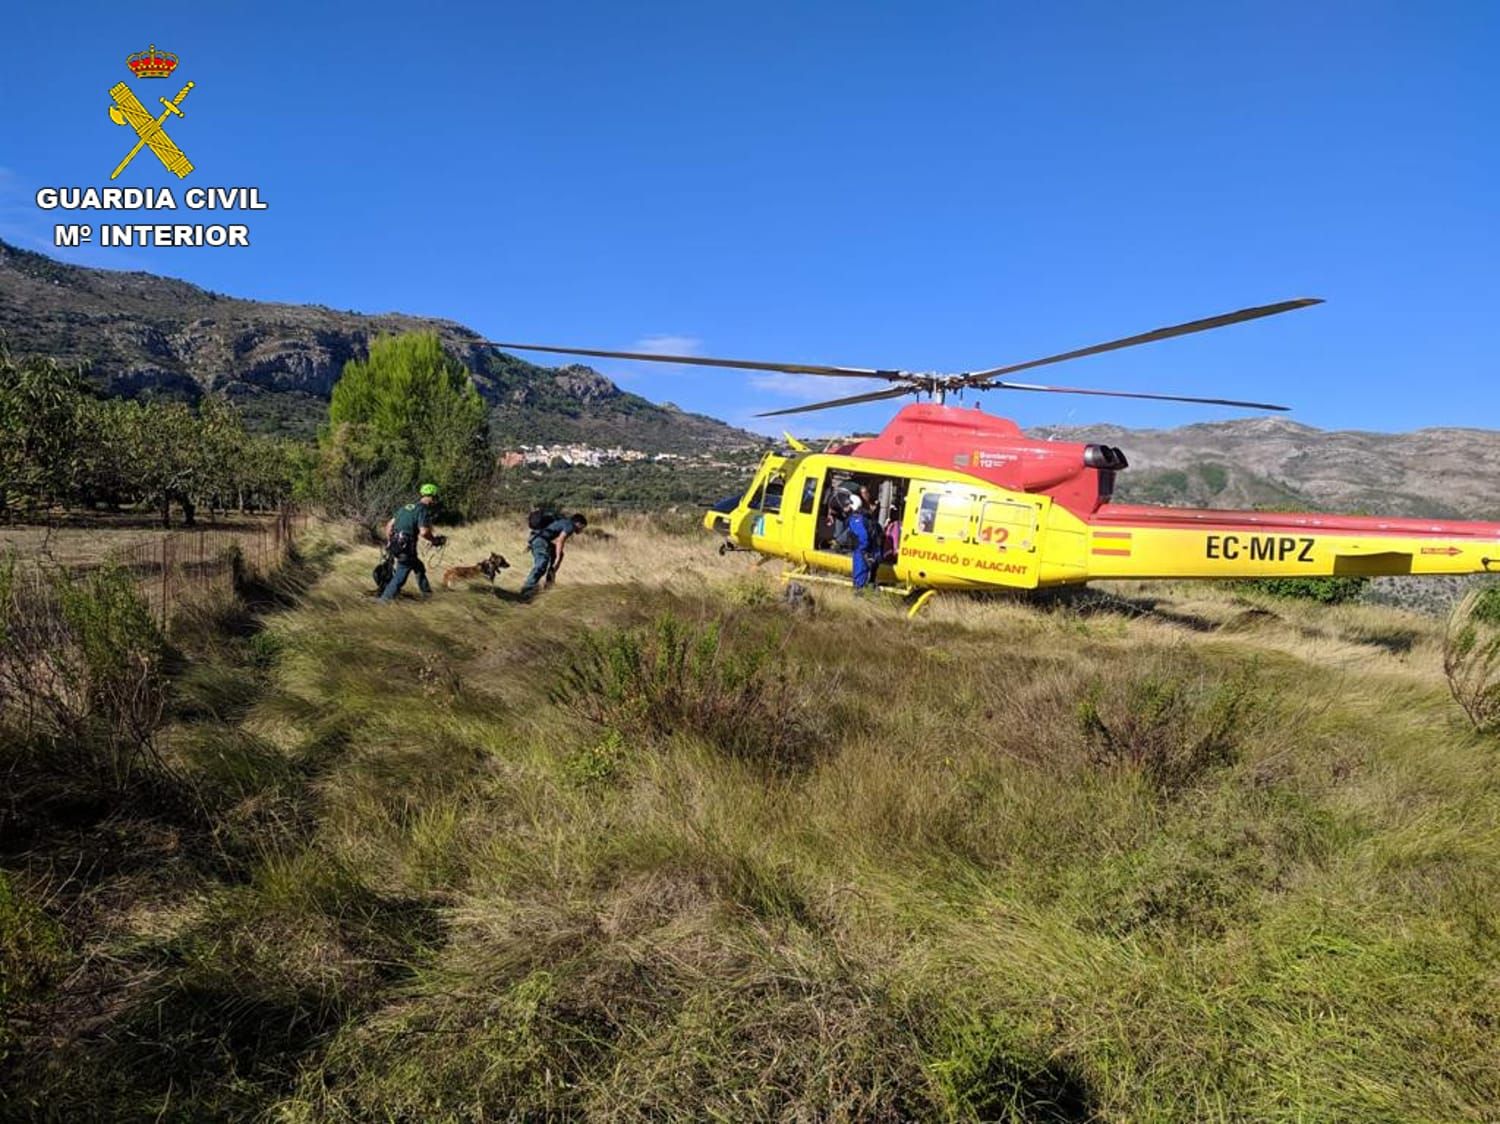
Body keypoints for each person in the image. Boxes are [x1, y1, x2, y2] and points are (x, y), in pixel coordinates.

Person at [379, 483, 446, 602]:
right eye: (435, 497)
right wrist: (434, 540)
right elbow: (424, 532)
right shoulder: (423, 510)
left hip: (396, 545)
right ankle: (384, 600)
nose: (435, 500)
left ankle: (427, 595)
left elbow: (389, 525)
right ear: (431, 497)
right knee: (401, 574)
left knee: (418, 567)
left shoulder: (405, 508)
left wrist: (390, 542)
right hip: (407, 548)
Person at [521, 512, 587, 598]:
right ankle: (527, 590)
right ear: (578, 523)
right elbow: (560, 540)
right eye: (582, 527)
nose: (581, 530)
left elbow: (550, 533)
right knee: (542, 563)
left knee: (555, 556)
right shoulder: (570, 526)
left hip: (539, 538)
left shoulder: (563, 522)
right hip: (540, 540)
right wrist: (558, 557)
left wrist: (558, 556)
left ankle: (549, 584)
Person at [847, 495, 876, 591]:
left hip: (861, 550)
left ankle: (859, 591)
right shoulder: (865, 516)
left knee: (860, 571)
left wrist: (861, 549)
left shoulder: (856, 519)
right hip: (869, 550)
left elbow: (863, 537)